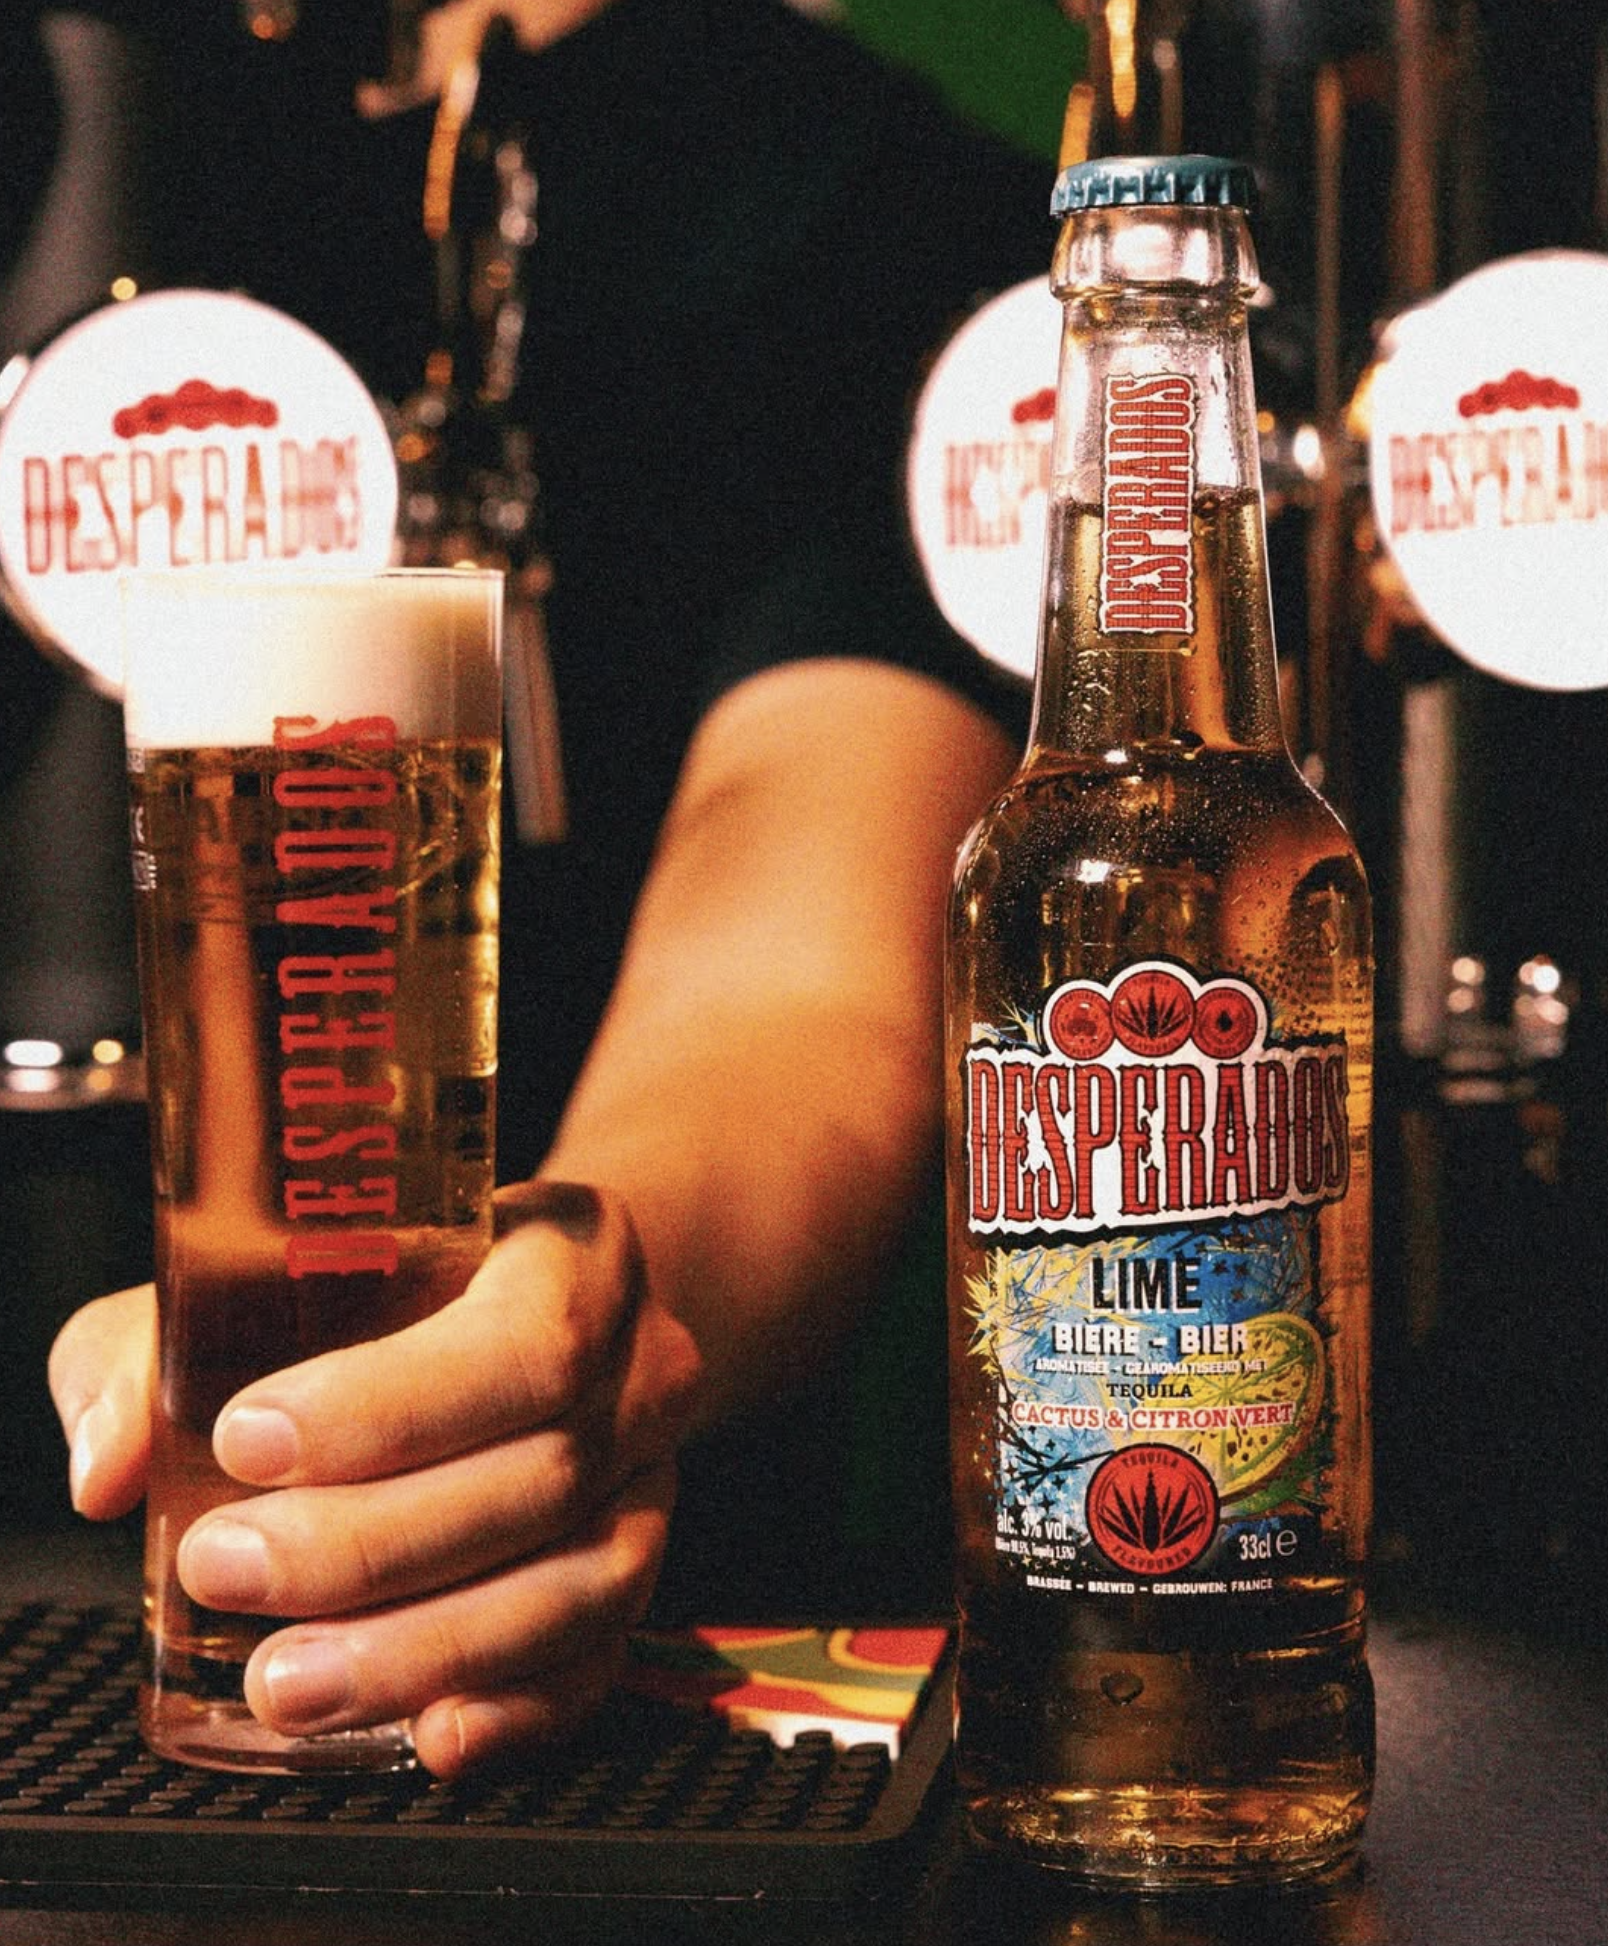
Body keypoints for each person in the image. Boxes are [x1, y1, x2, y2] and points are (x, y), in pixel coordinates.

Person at [43, 0, 1051, 1777]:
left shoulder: (847, 201)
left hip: (572, 1667)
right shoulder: (70, 119)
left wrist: (565, 1334)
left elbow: (797, 994)